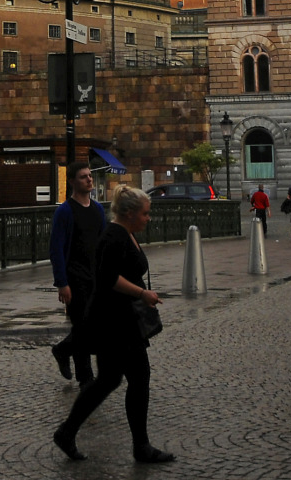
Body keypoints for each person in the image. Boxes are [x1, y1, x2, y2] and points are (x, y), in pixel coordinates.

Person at [53, 185, 174, 465]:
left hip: (120, 319)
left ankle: (68, 432)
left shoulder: (125, 233)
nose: (148, 218)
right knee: (131, 378)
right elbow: (108, 278)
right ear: (130, 213)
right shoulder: (114, 237)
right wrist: (142, 293)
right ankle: (139, 446)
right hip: (114, 321)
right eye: (145, 214)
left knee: (111, 380)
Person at [50, 165, 108, 387]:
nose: (89, 180)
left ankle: (62, 350)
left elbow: (103, 243)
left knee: (92, 327)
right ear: (73, 182)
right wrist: (62, 283)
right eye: (84, 177)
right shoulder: (65, 211)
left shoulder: (97, 209)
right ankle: (86, 377)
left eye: (90, 176)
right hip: (75, 278)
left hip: (95, 277)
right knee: (82, 326)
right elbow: (56, 248)